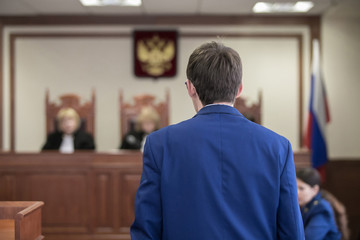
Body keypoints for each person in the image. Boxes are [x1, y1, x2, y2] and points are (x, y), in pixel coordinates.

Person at [131, 41, 304, 239]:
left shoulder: (159, 144)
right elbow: (292, 231)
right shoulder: (278, 146)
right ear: (239, 89)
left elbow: (147, 228)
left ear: (190, 88)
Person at [297, 167, 342, 240]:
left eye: (301, 188)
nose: (296, 192)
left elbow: (309, 238)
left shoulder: (321, 209)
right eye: (294, 188)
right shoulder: (306, 205)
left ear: (315, 189)